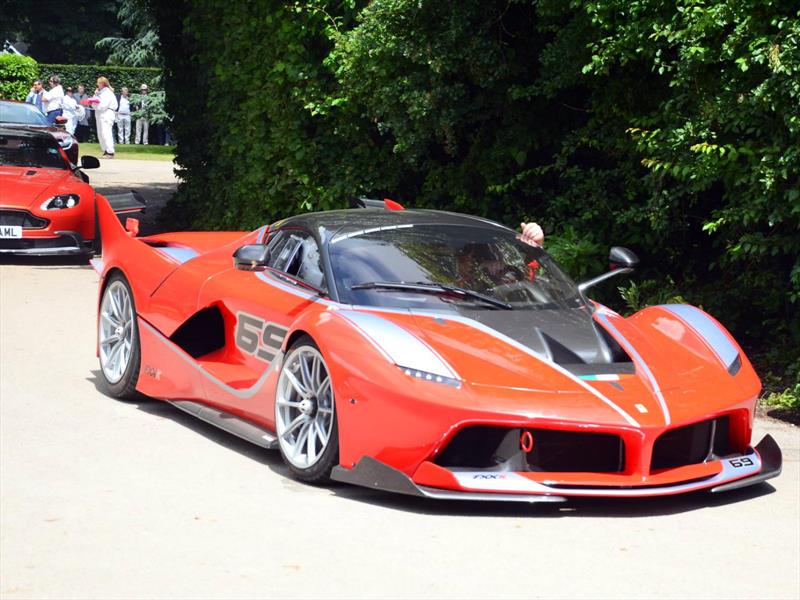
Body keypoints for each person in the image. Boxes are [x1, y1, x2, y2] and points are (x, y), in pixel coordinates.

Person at [92, 77, 118, 158]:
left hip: (107, 113)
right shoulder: (99, 93)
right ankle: (105, 150)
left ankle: (110, 152)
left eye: (98, 83)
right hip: (99, 114)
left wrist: (96, 105)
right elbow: (93, 104)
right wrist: (95, 96)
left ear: (102, 84)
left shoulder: (108, 93)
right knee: (100, 133)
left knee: (106, 133)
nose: (97, 84)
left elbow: (103, 106)